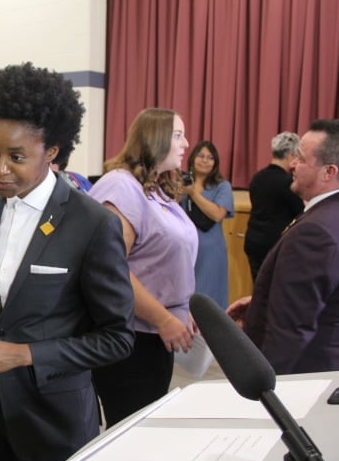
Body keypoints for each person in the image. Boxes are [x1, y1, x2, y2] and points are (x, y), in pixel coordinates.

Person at [0, 62, 135, 461]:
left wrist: (28, 354)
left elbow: (117, 337)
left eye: (16, 156)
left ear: (51, 151)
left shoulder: (91, 224)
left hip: (53, 416)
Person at [88, 107, 198, 427]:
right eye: (177, 135)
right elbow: (110, 269)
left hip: (153, 337)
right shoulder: (120, 186)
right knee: (129, 431)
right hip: (130, 339)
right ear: (154, 139)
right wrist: (164, 317)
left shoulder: (157, 189)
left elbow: (163, 262)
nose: (186, 142)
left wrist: (180, 307)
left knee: (144, 427)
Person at [227, 119, 339, 374]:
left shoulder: (316, 232)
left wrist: (263, 393)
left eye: (300, 158)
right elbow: (336, 291)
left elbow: (290, 332)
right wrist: (265, 302)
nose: (291, 164)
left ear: (328, 172)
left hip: (307, 378)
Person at [179, 140, 235, 308]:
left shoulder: (222, 186)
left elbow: (217, 214)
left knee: (209, 295)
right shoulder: (180, 181)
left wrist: (193, 194)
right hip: (184, 247)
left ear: (215, 163)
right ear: (192, 158)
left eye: (210, 158)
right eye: (201, 156)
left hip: (210, 249)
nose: (205, 160)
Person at [244, 131, 304, 281]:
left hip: (253, 241)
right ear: (290, 155)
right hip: (275, 245)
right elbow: (300, 213)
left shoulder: (257, 177)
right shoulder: (288, 183)